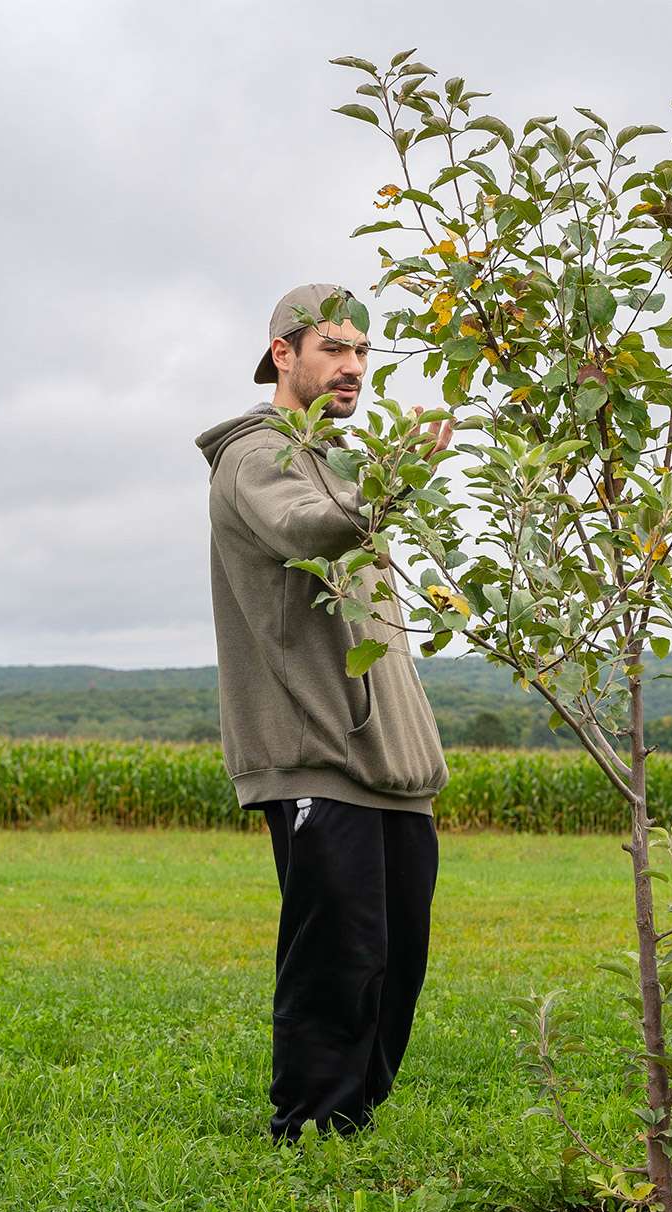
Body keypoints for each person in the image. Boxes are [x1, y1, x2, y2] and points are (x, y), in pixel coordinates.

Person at [194, 284, 451, 1141]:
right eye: (333, 348)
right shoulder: (258, 455)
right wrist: (391, 478)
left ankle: (354, 1120)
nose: (351, 366)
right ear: (283, 353)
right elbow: (307, 530)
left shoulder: (337, 459)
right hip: (315, 746)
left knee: (396, 958)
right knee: (338, 954)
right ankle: (307, 1126)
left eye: (362, 353)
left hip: (386, 758)